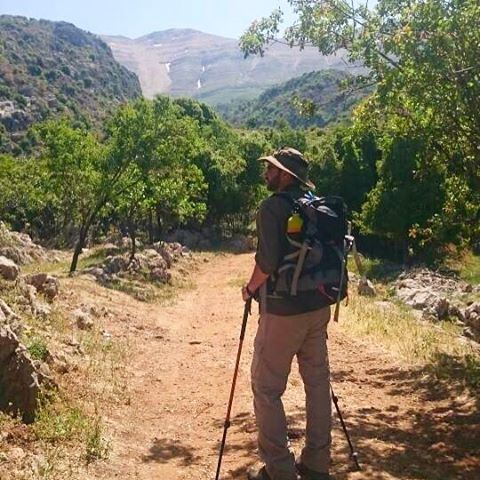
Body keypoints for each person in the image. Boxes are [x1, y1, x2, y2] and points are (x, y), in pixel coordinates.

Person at [242, 147, 332, 480]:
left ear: (286, 175)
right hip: (319, 306)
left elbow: (266, 263)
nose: (267, 174)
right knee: (318, 384)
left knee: (266, 387)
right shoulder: (316, 204)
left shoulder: (271, 208)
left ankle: (279, 470)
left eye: (272, 169)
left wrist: (249, 289)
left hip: (283, 311)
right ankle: (317, 464)